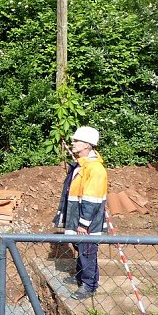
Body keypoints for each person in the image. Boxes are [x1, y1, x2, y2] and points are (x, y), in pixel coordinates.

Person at [57, 126, 108, 301]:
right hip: (79, 218)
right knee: (82, 250)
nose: (73, 143)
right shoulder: (82, 166)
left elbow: (91, 200)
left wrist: (83, 224)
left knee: (87, 252)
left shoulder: (95, 170)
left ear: (86, 145)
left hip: (87, 222)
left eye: (76, 141)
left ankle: (89, 286)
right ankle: (82, 280)